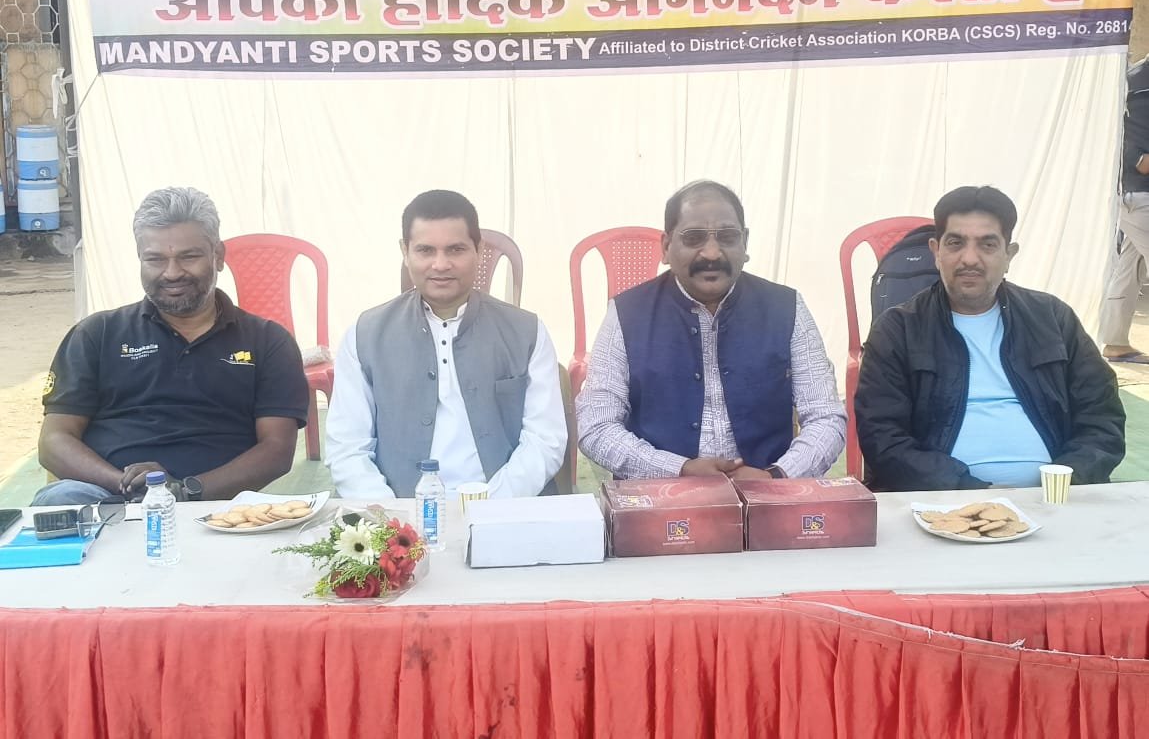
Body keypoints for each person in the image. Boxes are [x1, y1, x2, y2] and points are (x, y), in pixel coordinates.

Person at [33, 187, 310, 505]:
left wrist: (185, 491)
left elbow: (277, 451)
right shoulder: (97, 334)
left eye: (189, 257)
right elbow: (54, 440)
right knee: (62, 500)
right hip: (104, 498)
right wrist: (133, 487)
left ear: (218, 256)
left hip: (215, 507)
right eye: (155, 259)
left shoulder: (268, 341)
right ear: (140, 259)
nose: (173, 273)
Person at [856, 185, 1125, 492]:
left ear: (1009, 255)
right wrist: (967, 489)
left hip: (1056, 501)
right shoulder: (898, 330)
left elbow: (1102, 419)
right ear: (936, 252)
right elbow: (883, 437)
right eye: (955, 243)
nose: (969, 258)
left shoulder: (1052, 318)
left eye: (987, 245)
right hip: (941, 502)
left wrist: (1062, 485)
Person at [576, 180, 846, 480]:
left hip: (767, 495)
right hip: (660, 497)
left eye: (728, 237)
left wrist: (777, 476)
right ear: (666, 247)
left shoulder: (787, 307)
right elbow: (596, 426)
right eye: (694, 238)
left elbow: (826, 416)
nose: (712, 253)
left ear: (745, 243)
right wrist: (677, 470)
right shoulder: (627, 313)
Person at [325, 190, 566, 499]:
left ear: (478, 250)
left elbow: (545, 440)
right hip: (397, 510)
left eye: (456, 249)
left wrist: (491, 506)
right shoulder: (366, 334)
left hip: (505, 505)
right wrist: (392, 515)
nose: (440, 264)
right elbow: (347, 446)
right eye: (425, 250)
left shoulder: (526, 331)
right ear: (405, 251)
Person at [1100, 56, 1149, 364]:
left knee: (1129, 270)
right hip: (1139, 194)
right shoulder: (1133, 84)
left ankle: (1116, 343)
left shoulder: (1132, 80)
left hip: (1133, 195)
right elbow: (1140, 160)